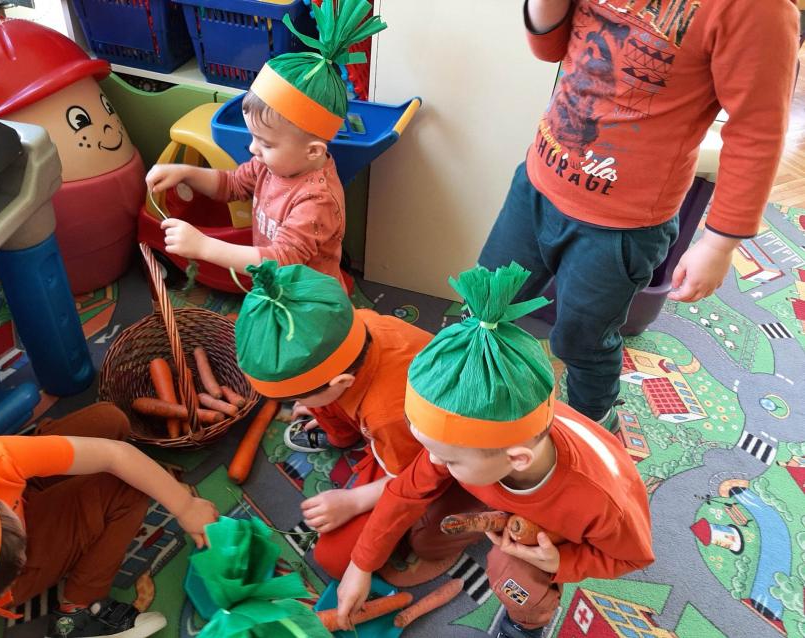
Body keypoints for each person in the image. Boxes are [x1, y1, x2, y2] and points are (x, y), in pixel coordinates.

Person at [478, 0, 800, 430]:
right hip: (538, 182)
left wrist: (720, 243)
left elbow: (757, 132)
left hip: (622, 227)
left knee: (582, 341)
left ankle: (594, 424)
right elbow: (549, 47)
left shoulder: (758, 11)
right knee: (487, 303)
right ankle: (473, 394)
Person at [334, 263, 654, 638]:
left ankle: (527, 622)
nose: (432, 461)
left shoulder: (603, 503)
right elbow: (405, 491)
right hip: (503, 489)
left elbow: (632, 557)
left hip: (550, 534)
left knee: (513, 578)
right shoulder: (474, 446)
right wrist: (361, 564)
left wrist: (560, 561)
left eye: (447, 458)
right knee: (428, 533)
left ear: (517, 458)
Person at [234, 260, 463, 580]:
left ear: (341, 383)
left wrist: (355, 501)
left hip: (430, 448)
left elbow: (417, 476)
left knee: (335, 558)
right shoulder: (353, 324)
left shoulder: (387, 414)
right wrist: (321, 405)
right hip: (377, 409)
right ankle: (337, 420)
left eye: (298, 395)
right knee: (323, 407)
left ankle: (462, 503)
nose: (295, 403)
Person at [145, 0, 387, 290]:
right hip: (274, 289)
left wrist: (204, 246)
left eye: (266, 143)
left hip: (306, 302)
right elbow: (232, 185)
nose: (252, 149)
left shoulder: (316, 201)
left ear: (313, 151)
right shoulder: (271, 164)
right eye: (253, 137)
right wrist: (185, 173)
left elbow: (280, 261)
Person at [0, 403, 219, 638]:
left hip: (18, 490)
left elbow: (114, 455)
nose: (23, 555)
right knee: (126, 487)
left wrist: (185, 506)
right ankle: (78, 614)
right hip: (3, 582)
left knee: (107, 421)